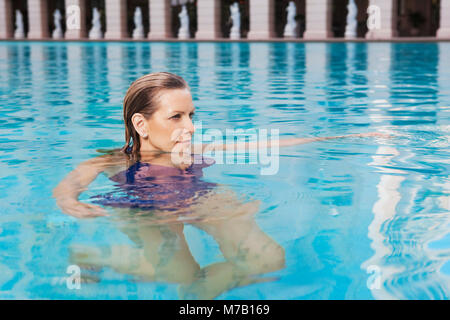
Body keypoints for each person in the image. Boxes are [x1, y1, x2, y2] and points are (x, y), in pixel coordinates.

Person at [52, 72, 390, 299]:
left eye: (191, 115)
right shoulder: (116, 160)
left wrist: (346, 136)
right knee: (184, 281)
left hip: (198, 199)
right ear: (141, 123)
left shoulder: (195, 149)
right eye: (176, 117)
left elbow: (263, 144)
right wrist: (71, 200)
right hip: (147, 210)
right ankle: (93, 255)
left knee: (269, 259)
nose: (190, 127)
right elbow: (71, 183)